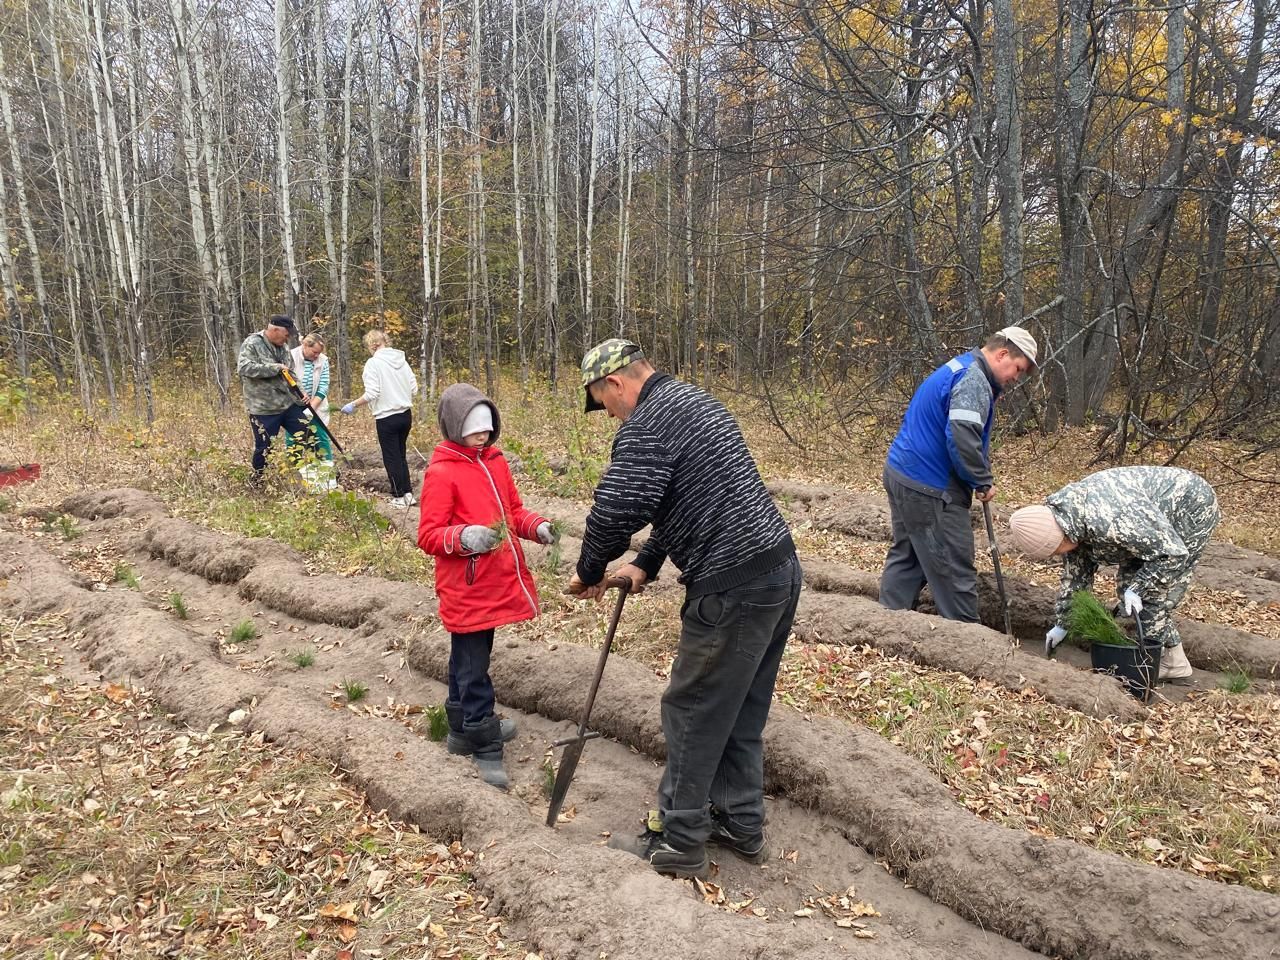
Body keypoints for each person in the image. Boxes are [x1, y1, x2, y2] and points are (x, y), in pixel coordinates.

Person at [569, 338, 801, 880]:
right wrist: (646, 563)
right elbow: (681, 498)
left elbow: (617, 510)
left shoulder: (647, 423)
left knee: (692, 711)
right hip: (777, 571)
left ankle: (679, 838)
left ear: (617, 384)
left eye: (602, 400)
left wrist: (588, 571)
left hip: (734, 587)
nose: (606, 412)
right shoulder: (695, 403)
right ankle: (740, 822)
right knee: (738, 710)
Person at [417, 383, 558, 789]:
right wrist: (465, 538)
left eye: (487, 426)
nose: (482, 433)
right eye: (473, 427)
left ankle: (459, 729)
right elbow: (429, 535)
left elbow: (512, 512)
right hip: (466, 587)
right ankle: (485, 741)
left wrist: (538, 527)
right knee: (473, 667)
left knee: (468, 658)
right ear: (454, 427)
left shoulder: (495, 462)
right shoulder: (443, 472)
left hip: (492, 584)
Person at [879, 326, 1038, 622]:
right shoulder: (973, 379)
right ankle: (969, 641)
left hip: (903, 472)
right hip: (929, 486)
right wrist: (981, 478)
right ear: (1002, 354)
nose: (1016, 378)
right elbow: (962, 435)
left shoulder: (963, 367)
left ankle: (889, 627)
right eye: (1017, 369)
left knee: (910, 558)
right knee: (954, 568)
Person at [1006, 466, 1219, 681]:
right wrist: (1063, 623)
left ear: (1062, 537)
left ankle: (1161, 663)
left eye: (1056, 549)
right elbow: (1075, 577)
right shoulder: (1065, 519)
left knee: (1148, 594)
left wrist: (1138, 588)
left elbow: (1172, 554)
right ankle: (1172, 658)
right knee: (1130, 590)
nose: (1060, 555)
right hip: (1145, 522)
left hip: (1189, 506)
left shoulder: (1111, 521)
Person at [340, 330, 418, 506]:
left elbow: (372, 392)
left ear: (372, 345)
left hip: (387, 417)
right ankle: (408, 494)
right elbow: (414, 389)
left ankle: (398, 496)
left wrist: (353, 404)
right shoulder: (402, 361)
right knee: (401, 455)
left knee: (391, 457)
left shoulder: (373, 363)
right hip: (405, 415)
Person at [236, 314, 313, 482]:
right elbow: (244, 368)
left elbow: (290, 372)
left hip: (287, 404)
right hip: (264, 408)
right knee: (264, 448)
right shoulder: (252, 343)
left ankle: (318, 476)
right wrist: (274, 368)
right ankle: (257, 482)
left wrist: (301, 392)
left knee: (308, 435)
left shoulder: (283, 347)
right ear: (275, 329)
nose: (287, 339)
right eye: (286, 334)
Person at [287, 333, 336, 489]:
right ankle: (299, 477)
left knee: (320, 437)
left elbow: (323, 386)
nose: (317, 356)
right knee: (294, 440)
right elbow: (286, 381)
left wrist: (311, 407)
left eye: (319, 353)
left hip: (316, 407)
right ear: (305, 346)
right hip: (293, 407)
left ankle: (327, 477)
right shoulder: (291, 356)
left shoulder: (323, 361)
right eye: (314, 352)